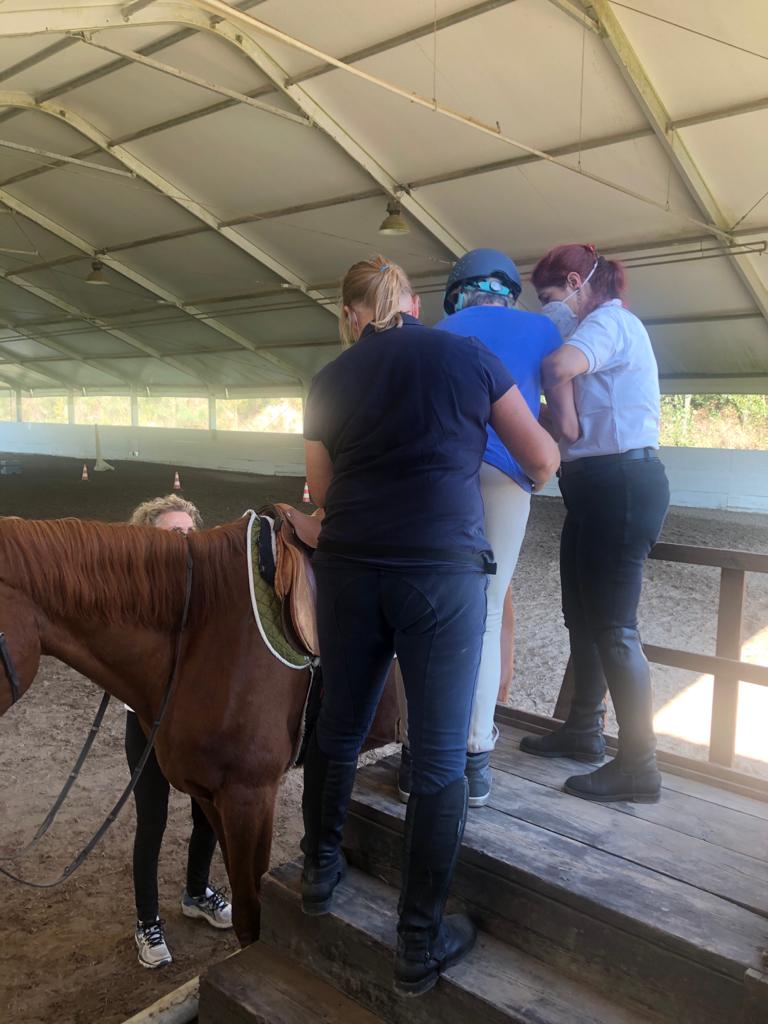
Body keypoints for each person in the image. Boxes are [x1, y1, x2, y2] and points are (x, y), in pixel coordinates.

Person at [301, 255, 559, 996]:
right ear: (414, 302)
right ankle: (418, 942)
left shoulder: (331, 379)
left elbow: (321, 488)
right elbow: (540, 459)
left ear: (350, 312)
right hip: (441, 576)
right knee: (441, 760)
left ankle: (320, 873)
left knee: (338, 726)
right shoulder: (466, 353)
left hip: (351, 568)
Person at [394, 248, 563, 807]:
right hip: (509, 476)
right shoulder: (541, 329)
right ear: (510, 290)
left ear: (456, 290)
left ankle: (418, 754)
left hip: (441, 477)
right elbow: (558, 415)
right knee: (487, 612)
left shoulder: (439, 331)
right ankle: (475, 759)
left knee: (426, 610)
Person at [519, 244, 670, 804]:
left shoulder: (610, 321)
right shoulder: (593, 331)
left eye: (551, 297)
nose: (549, 310)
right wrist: (557, 423)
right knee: (579, 617)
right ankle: (584, 730)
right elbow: (564, 410)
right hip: (593, 488)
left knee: (614, 628)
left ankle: (639, 765)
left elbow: (557, 370)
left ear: (579, 282)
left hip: (621, 484)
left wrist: (566, 424)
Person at [127, 495, 232, 969]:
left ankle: (196, 891)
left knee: (207, 812)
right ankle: (147, 921)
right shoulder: (133, 595)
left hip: (199, 722)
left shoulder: (207, 593)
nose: (185, 543)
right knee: (152, 822)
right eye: (174, 534)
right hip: (149, 721)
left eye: (190, 533)